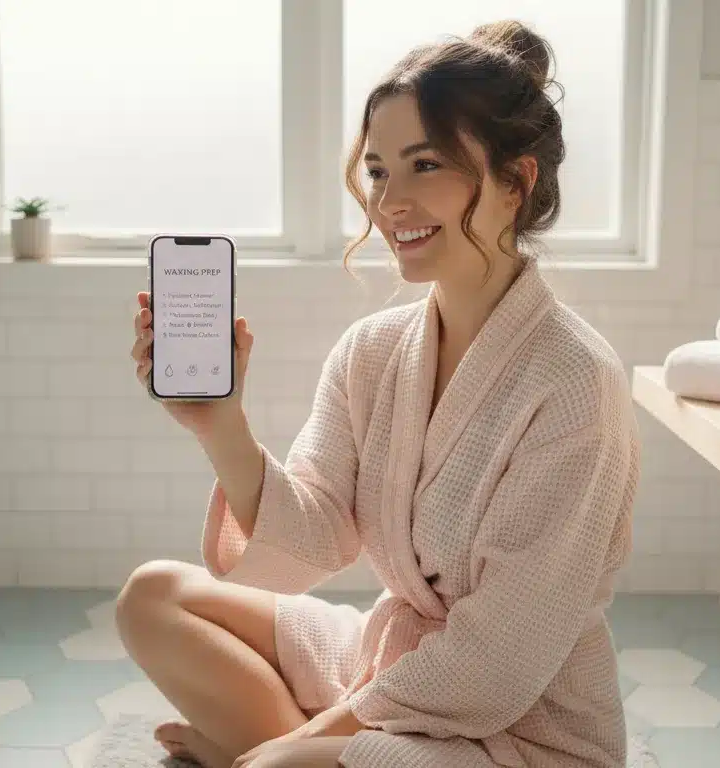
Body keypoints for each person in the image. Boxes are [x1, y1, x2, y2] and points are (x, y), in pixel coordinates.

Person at [118, 19, 640, 768]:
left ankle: (261, 749)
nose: (390, 203)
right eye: (376, 171)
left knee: (284, 762)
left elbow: (494, 665)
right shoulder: (373, 351)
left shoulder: (574, 382)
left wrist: (295, 746)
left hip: (517, 722)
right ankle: (280, 751)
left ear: (515, 182)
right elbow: (309, 545)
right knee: (153, 597)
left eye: (425, 165)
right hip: (394, 661)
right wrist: (219, 423)